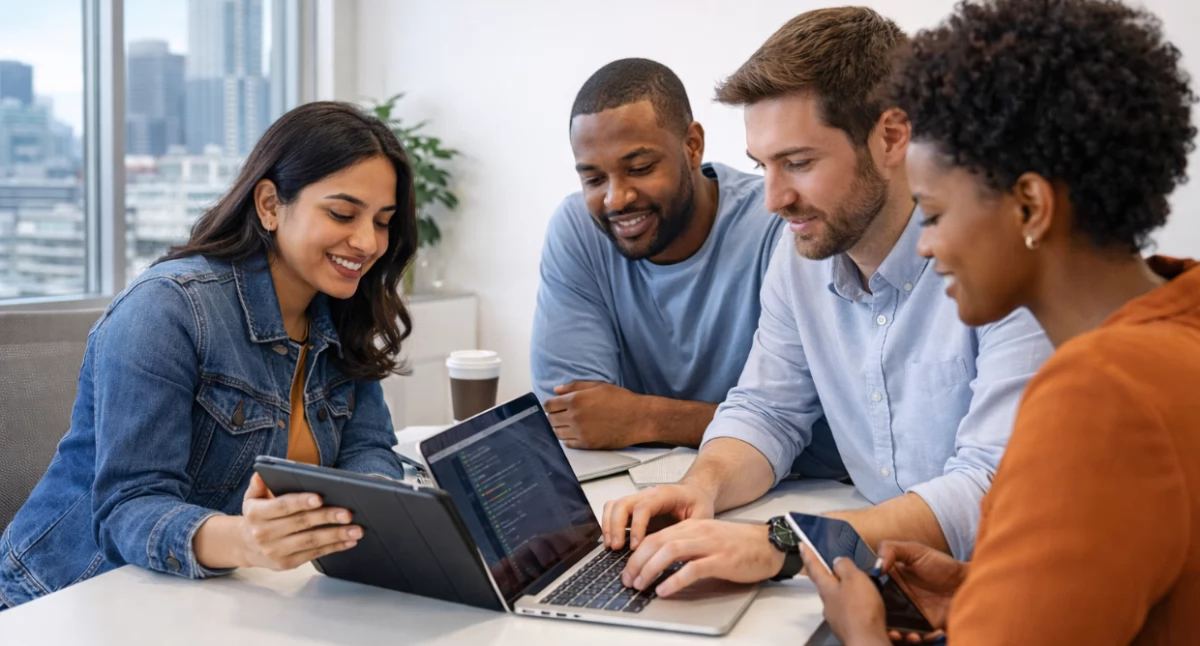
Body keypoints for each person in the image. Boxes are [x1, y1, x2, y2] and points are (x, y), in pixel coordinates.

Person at [602, 7, 1055, 596]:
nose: (774, 198)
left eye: (799, 162)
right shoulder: (802, 254)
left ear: (892, 136)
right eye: (762, 166)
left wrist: (783, 542)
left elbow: (990, 488)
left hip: (1007, 590)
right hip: (878, 580)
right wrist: (702, 486)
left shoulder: (1000, 261)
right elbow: (768, 410)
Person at [805, 1, 1200, 644]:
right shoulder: (1180, 316)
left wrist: (864, 635)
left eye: (932, 215)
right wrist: (981, 594)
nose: (926, 247)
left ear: (1030, 206)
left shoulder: (1098, 394)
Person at [0, 102, 418, 610]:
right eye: (342, 214)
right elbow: (128, 509)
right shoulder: (169, 308)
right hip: (68, 600)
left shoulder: (338, 312)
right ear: (269, 204)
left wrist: (371, 500)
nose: (368, 241)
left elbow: (368, 445)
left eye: (383, 221)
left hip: (214, 600)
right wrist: (248, 540)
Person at [531, 58, 787, 450]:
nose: (617, 198)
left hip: (785, 490)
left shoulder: (777, 225)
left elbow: (819, 426)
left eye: (640, 167)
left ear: (692, 146)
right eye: (594, 179)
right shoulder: (578, 229)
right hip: (628, 491)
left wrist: (646, 419)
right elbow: (575, 416)